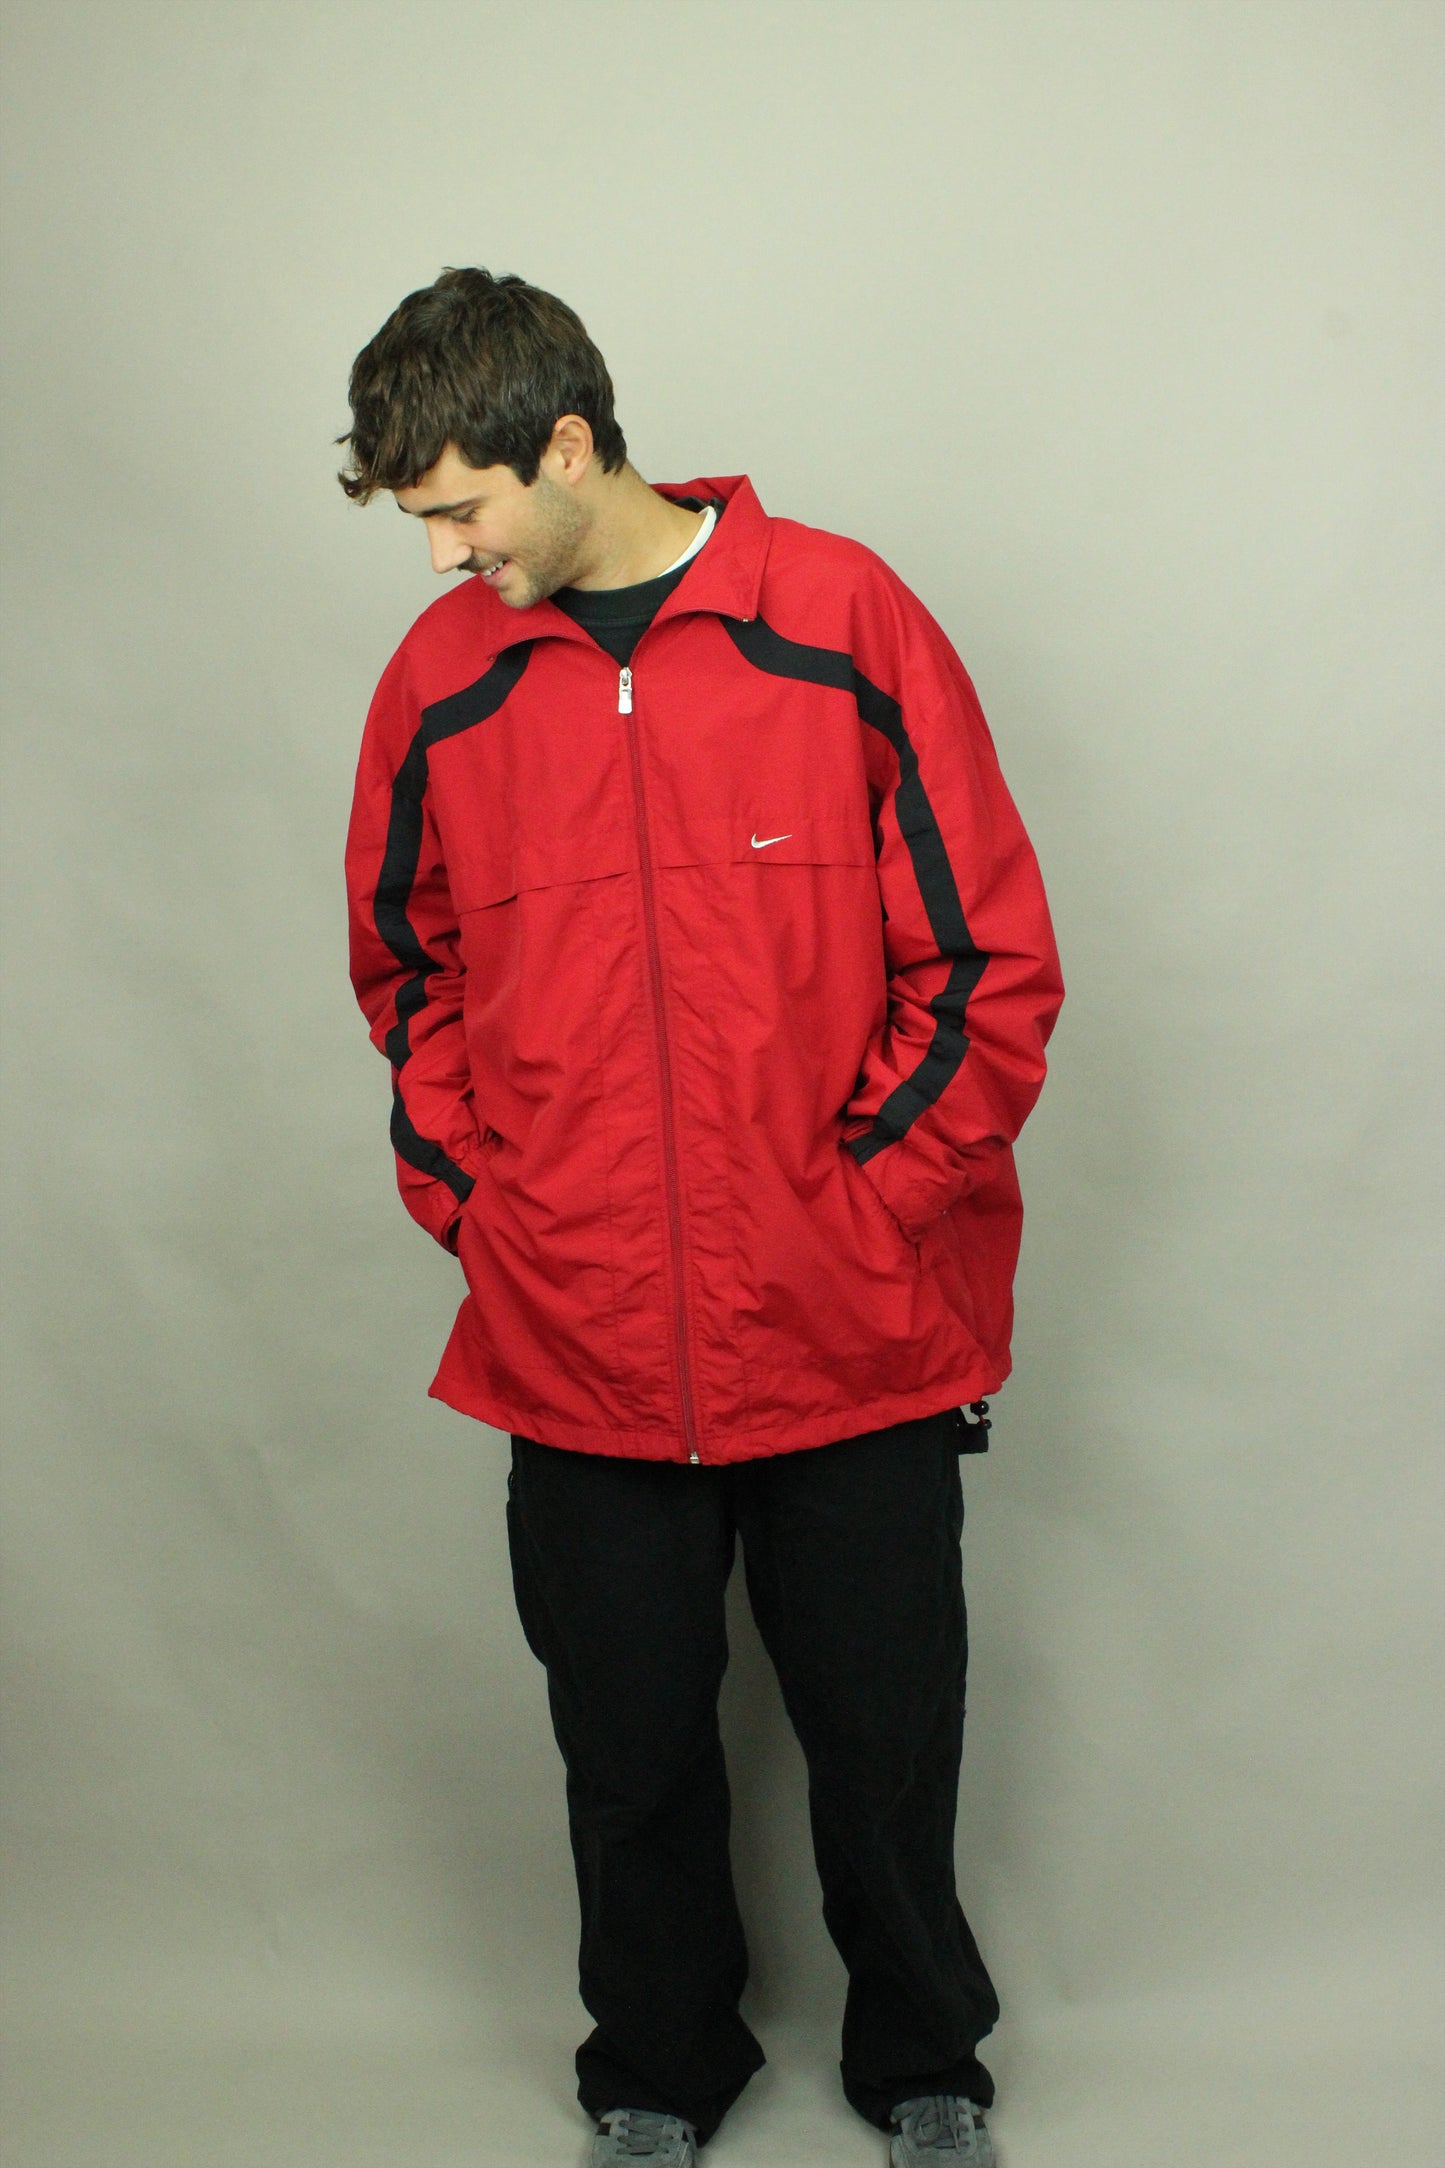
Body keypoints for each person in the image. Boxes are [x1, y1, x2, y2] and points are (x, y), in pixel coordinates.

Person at [339, 267, 1062, 2168]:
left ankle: (924, 2060)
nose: (444, 556)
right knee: (629, 1749)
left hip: (853, 1327)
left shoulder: (841, 617)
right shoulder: (440, 684)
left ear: (570, 445)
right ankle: (654, 2073)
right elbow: (409, 978)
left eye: (459, 508)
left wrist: (866, 1207)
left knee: (885, 1739)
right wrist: (491, 1210)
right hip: (573, 1332)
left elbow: (987, 962)